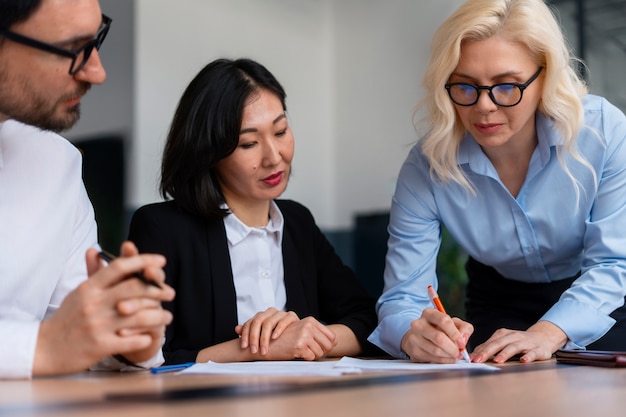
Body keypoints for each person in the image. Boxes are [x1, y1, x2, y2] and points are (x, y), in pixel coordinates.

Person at [368, 0, 626, 365]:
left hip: (605, 298)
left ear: (545, 76)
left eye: (507, 86)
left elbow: (614, 264)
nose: (484, 106)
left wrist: (546, 334)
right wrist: (413, 334)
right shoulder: (426, 167)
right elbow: (401, 297)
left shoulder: (603, 131)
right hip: (500, 299)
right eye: (465, 86)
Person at [127, 58, 380, 365]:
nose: (274, 157)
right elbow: (142, 358)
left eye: (281, 131)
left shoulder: (297, 222)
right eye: (248, 143)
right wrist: (258, 348)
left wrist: (309, 339)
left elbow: (369, 321)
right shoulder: (162, 229)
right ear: (209, 151)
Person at [0, 0, 175, 378]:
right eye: (71, 49)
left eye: (96, 40)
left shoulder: (56, 163)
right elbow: (54, 346)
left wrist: (127, 333)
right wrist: (40, 348)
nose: (97, 71)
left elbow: (76, 334)